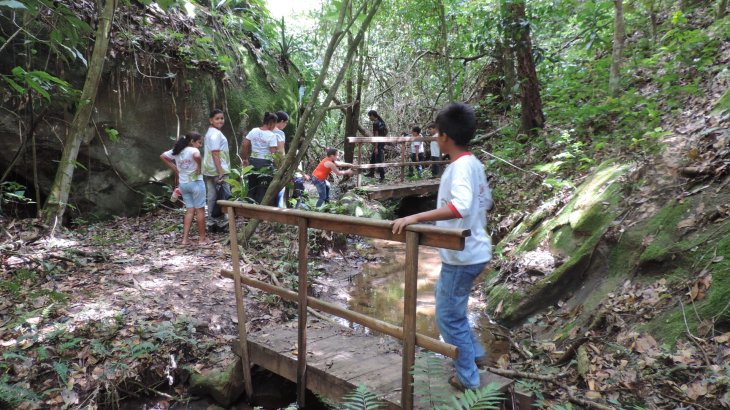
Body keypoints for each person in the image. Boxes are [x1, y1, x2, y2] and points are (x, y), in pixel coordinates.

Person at [391, 103, 493, 391]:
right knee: (452, 311)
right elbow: (486, 202)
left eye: (436, 133)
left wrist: (417, 216)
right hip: (474, 250)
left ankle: (468, 378)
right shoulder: (474, 164)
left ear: (446, 136)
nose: (434, 137)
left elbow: (460, 205)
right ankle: (477, 355)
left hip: (462, 254)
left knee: (447, 317)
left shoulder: (460, 167)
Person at [160, 132, 208, 245]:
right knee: (200, 210)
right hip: (196, 183)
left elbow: (163, 156)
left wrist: (174, 167)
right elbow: (197, 156)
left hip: (184, 185)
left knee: (190, 210)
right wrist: (199, 167)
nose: (200, 145)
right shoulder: (193, 150)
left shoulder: (177, 150)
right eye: (199, 142)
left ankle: (185, 239)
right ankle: (202, 239)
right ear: (192, 142)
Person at [241, 112, 279, 205]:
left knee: (251, 187)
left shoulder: (254, 131)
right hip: (265, 164)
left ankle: (248, 211)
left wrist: (245, 159)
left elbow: (245, 144)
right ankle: (257, 213)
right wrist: (277, 164)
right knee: (262, 189)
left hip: (253, 161)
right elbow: (273, 153)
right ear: (272, 122)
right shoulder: (272, 135)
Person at [202, 109, 231, 231]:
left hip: (209, 169)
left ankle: (211, 221)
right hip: (218, 169)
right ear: (211, 120)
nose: (220, 120)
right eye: (217, 118)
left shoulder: (210, 132)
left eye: (222, 118)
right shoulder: (215, 134)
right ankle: (224, 222)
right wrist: (220, 172)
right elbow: (215, 153)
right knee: (225, 195)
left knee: (212, 195)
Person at [365, 110, 387, 182]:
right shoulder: (382, 122)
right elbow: (385, 132)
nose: (369, 118)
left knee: (379, 160)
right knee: (373, 158)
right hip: (382, 142)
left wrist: (376, 147)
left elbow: (376, 136)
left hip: (379, 143)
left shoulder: (376, 123)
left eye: (369, 116)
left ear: (372, 115)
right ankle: (371, 173)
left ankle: (382, 176)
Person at [274, 111, 289, 207]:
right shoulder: (280, 133)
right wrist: (283, 166)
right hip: (276, 163)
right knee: (280, 188)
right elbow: (281, 152)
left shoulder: (266, 130)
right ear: (282, 121)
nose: (285, 125)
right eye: (286, 123)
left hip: (265, 162)